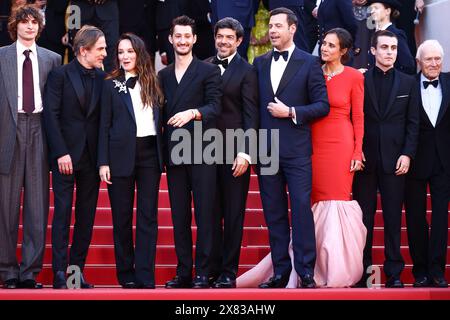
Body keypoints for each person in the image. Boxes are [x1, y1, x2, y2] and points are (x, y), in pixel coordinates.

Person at [238, 7, 329, 289]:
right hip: (266, 151)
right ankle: (279, 272)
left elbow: (322, 105)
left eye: (278, 26)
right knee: (273, 212)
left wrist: (290, 111)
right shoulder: (260, 63)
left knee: (301, 209)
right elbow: (251, 110)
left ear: (292, 29)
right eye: (271, 26)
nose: (273, 31)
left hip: (297, 150)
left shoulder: (309, 62)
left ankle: (305, 271)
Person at [158, 15, 222, 289]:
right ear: (171, 39)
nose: (183, 41)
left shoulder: (209, 71)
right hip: (175, 153)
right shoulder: (162, 75)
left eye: (188, 36)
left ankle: (204, 273)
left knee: (206, 214)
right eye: (178, 36)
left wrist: (193, 113)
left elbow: (215, 107)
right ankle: (184, 271)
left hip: (204, 151)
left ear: (195, 39)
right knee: (179, 215)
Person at [0, 4, 61, 289]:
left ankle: (29, 272)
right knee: (6, 208)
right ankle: (7, 270)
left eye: (34, 22)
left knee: (37, 207)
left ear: (39, 26)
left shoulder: (53, 59)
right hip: (7, 131)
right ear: (15, 25)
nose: (29, 26)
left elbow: (56, 105)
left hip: (38, 130)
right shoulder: (1, 56)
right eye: (24, 22)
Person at [353, 30, 419, 288]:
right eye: (384, 47)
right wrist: (356, 150)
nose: (390, 52)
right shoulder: (359, 80)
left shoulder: (408, 83)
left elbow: (413, 124)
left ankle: (394, 274)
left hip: (395, 161)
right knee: (364, 220)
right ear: (373, 50)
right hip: (365, 160)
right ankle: (363, 273)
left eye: (393, 48)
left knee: (393, 218)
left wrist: (407, 153)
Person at [98, 33, 164, 289]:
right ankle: (125, 274)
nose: (125, 56)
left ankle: (145, 275)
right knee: (122, 217)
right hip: (119, 156)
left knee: (148, 217)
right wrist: (103, 162)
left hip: (149, 154)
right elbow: (103, 124)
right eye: (121, 52)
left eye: (130, 52)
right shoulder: (110, 84)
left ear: (139, 53)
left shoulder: (155, 82)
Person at [43, 25, 106, 289]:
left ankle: (75, 273)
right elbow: (51, 116)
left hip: (92, 158)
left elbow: (104, 121)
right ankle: (60, 273)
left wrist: (104, 159)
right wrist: (61, 152)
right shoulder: (59, 75)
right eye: (100, 48)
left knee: (86, 217)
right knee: (62, 214)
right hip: (66, 157)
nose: (105, 53)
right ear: (83, 50)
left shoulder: (104, 78)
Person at [310, 28, 366, 287]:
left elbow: (358, 117)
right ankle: (314, 266)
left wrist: (357, 151)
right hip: (312, 144)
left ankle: (337, 269)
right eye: (324, 43)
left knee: (337, 200)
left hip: (341, 144)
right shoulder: (312, 71)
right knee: (316, 201)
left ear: (343, 51)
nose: (325, 48)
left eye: (331, 46)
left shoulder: (355, 77)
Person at [206, 17, 259, 288]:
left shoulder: (248, 71)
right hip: (203, 152)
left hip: (235, 152)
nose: (223, 41)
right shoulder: (202, 66)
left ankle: (229, 271)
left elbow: (251, 115)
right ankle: (209, 270)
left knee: (233, 212)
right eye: (219, 36)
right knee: (209, 213)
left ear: (239, 41)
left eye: (229, 37)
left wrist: (246, 153)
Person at [404, 40, 450, 288]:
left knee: (441, 217)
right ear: (419, 62)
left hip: (444, 162)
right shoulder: (408, 84)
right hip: (415, 160)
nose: (434, 64)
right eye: (429, 59)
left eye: (438, 59)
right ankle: (420, 271)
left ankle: (437, 270)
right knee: (415, 217)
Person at [366, 0, 416, 75]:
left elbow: (408, 65)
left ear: (387, 11)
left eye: (376, 8)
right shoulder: (374, 35)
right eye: (371, 9)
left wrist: (390, 79)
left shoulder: (396, 34)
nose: (372, 11)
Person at [71, 0, 119, 72]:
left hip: (108, 9)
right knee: (79, 46)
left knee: (111, 48)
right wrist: (68, 30)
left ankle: (109, 81)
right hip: (79, 8)